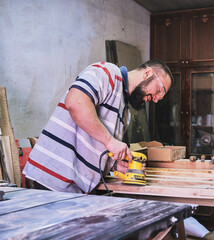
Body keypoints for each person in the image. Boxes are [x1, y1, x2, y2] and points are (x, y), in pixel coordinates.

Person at [23, 60, 173, 193]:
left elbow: (97, 143)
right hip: (52, 179)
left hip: (74, 188)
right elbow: (75, 102)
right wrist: (110, 141)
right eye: (159, 91)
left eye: (160, 97)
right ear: (147, 73)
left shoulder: (124, 111)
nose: (156, 99)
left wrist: (116, 166)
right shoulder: (107, 73)